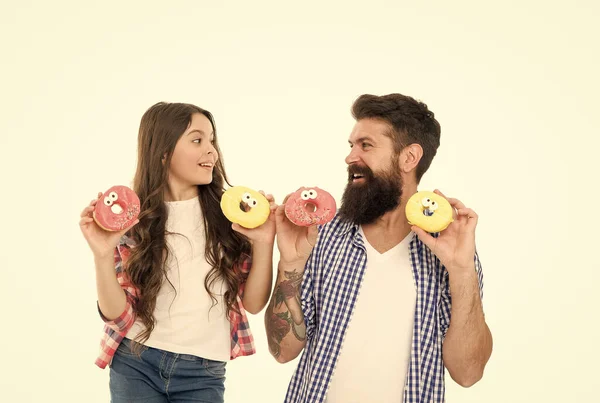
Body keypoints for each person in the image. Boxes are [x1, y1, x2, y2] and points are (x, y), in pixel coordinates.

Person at [265, 93, 493, 403]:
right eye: (351, 146)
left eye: (366, 145)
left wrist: (463, 272)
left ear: (409, 158)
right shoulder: (322, 234)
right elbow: (283, 351)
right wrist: (290, 264)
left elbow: (468, 373)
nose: (350, 157)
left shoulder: (450, 248)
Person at [79, 102, 276, 403]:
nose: (212, 151)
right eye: (198, 140)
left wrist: (264, 242)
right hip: (136, 363)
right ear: (162, 152)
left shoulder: (231, 216)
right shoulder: (133, 220)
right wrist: (103, 255)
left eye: (212, 140)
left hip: (203, 372)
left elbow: (252, 303)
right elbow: (117, 316)